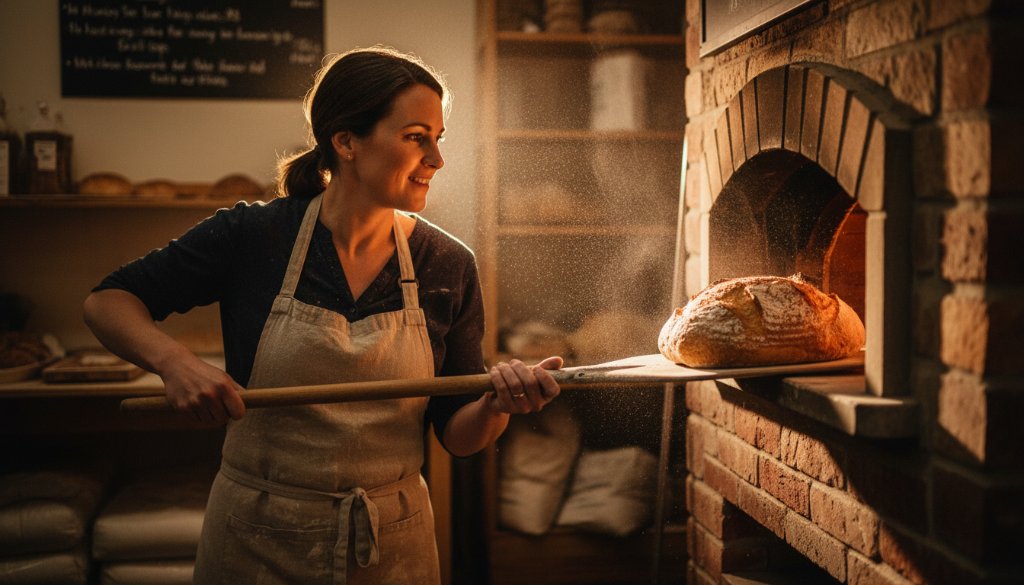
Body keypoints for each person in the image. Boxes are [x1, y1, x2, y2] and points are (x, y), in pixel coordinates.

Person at [83, 46, 562, 585]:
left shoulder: (446, 264)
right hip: (259, 535)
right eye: (415, 137)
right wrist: (174, 362)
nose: (437, 158)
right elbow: (108, 300)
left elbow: (458, 434)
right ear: (346, 140)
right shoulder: (253, 236)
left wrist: (498, 406)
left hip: (392, 544)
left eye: (438, 138)